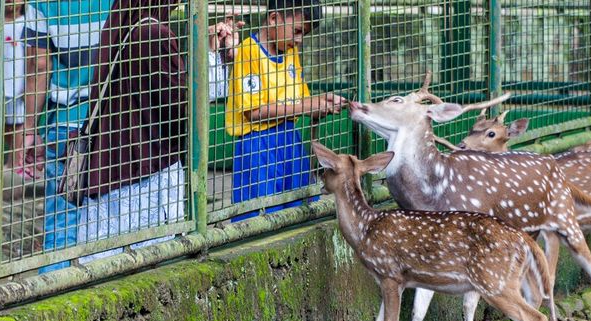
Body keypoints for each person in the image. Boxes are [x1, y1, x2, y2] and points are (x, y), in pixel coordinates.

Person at [75, 0, 243, 263]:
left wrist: (208, 48)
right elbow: (187, 103)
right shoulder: (155, 33)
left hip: (113, 168)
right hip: (143, 173)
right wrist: (212, 57)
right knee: (150, 262)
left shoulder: (121, 23)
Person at [226, 0, 345, 221]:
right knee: (260, 215)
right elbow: (253, 112)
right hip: (258, 144)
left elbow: (301, 97)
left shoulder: (291, 51)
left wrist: (320, 103)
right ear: (274, 18)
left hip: (290, 137)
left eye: (303, 35)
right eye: (297, 31)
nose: (299, 40)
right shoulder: (248, 51)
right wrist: (308, 106)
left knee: (300, 207)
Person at [18, 0, 115, 272]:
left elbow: (39, 66)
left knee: (61, 223)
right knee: (110, 218)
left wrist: (29, 128)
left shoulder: (44, 3)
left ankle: (56, 293)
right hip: (111, 121)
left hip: (65, 125)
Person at [3, 0, 26, 168]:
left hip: (20, 86)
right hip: (1, 87)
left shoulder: (26, 23)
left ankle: (15, 165)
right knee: (5, 126)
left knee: (19, 125)